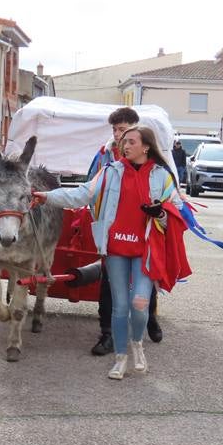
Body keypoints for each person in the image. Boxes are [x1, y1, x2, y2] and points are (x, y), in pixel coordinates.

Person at [33, 125, 189, 379]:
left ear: (146, 146)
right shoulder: (109, 173)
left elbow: (178, 210)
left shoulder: (162, 176)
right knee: (120, 306)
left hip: (145, 250)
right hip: (115, 249)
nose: (125, 146)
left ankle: (137, 344)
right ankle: (120, 358)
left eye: (131, 141)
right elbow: (80, 195)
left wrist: (160, 213)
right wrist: (47, 197)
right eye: (123, 142)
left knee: (139, 305)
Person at [86, 107, 163, 356]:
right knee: (109, 284)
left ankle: (149, 317)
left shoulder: (153, 161)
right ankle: (107, 333)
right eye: (115, 130)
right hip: (114, 233)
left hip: (143, 233)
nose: (118, 135)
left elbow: (170, 194)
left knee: (146, 280)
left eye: (123, 130)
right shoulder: (104, 156)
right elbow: (90, 184)